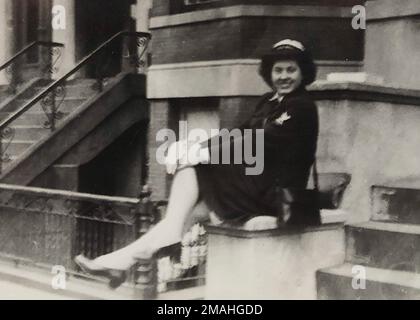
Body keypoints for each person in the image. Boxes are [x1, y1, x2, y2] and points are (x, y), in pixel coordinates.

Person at [74, 39, 319, 288]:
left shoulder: (302, 106)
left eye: (291, 70)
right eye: (278, 70)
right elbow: (237, 133)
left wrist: (202, 155)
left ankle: (156, 242)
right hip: (256, 184)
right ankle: (118, 263)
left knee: (196, 170)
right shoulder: (268, 101)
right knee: (185, 215)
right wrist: (195, 147)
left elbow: (260, 141)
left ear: (303, 73)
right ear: (270, 73)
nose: (284, 76)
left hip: (276, 192)